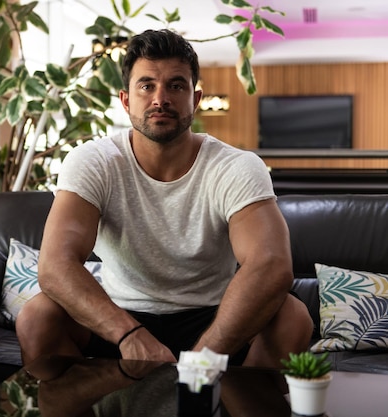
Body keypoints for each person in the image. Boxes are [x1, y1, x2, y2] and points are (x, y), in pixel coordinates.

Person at [16, 29, 313, 367]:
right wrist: (130, 335)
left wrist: (204, 359)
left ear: (195, 99)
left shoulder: (237, 166)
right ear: (126, 100)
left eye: (175, 85)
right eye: (147, 86)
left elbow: (271, 264)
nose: (161, 99)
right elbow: (55, 265)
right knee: (37, 316)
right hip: (120, 318)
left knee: (292, 316)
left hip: (215, 318)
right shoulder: (94, 161)